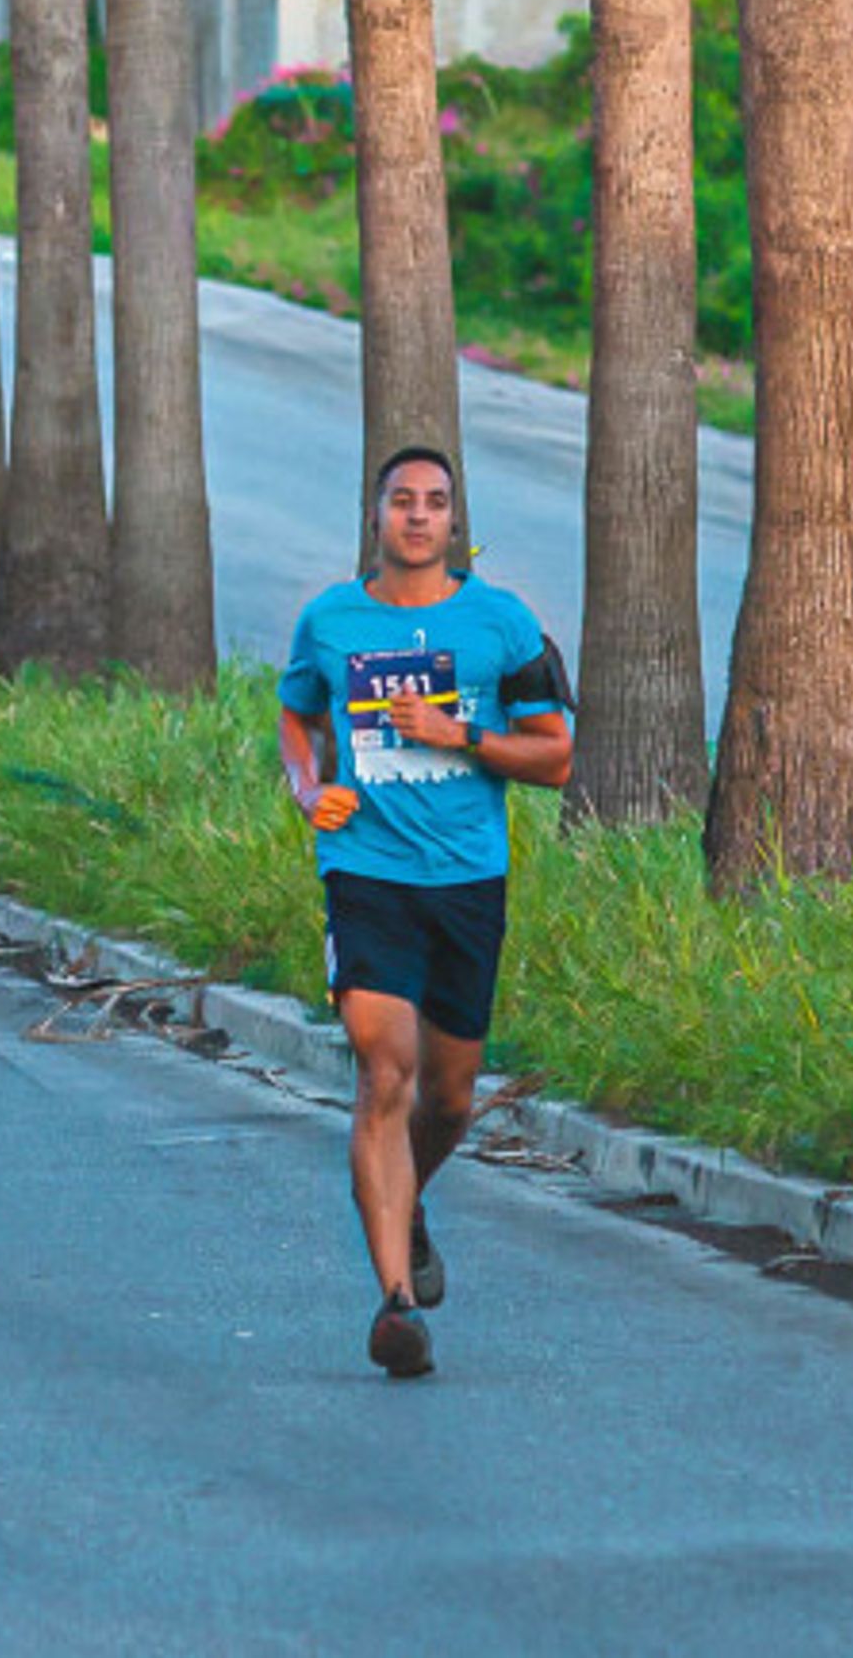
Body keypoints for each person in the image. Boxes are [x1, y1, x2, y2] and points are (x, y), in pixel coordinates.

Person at [275, 447, 574, 1381]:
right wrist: (306, 786)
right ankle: (397, 1304)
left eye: (434, 503)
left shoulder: (503, 624)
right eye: (401, 500)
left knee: (446, 1096)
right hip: (366, 870)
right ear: (376, 517)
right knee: (383, 1069)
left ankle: (409, 1201)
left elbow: (556, 754)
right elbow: (298, 715)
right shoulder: (330, 620)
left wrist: (462, 736)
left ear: (454, 523)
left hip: (467, 878)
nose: (417, 516)